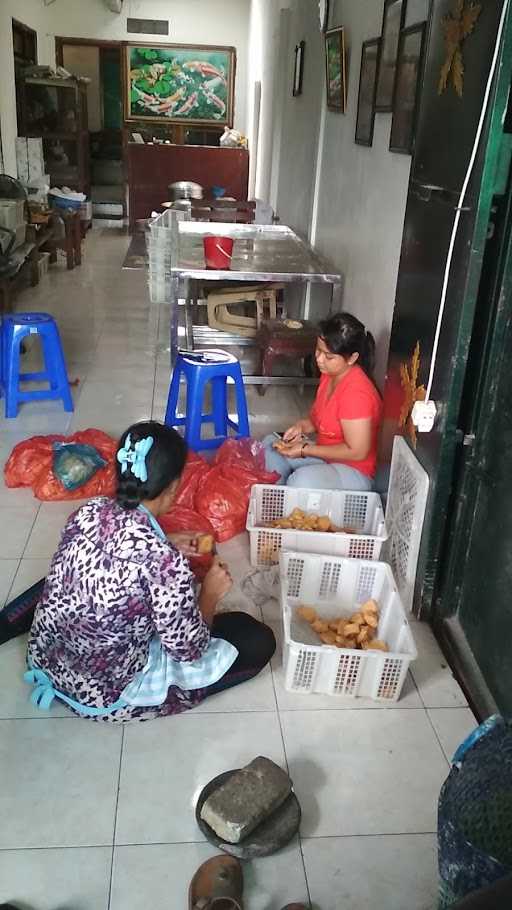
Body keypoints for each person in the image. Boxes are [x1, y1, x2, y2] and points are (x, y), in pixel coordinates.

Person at [25, 421, 275, 723]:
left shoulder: (88, 512)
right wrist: (209, 594)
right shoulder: (165, 564)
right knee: (257, 639)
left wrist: (165, 541)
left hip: (50, 658)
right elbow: (189, 650)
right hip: (104, 692)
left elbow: (120, 551)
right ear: (172, 487)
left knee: (73, 579)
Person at [263, 312, 382, 491]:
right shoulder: (330, 375)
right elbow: (317, 421)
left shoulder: (357, 394)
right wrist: (301, 427)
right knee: (270, 445)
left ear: (352, 358)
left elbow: (357, 452)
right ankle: (277, 501)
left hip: (354, 471)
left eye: (329, 356)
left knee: (300, 481)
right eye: (318, 350)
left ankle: (291, 501)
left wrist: (304, 449)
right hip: (326, 457)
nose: (319, 359)